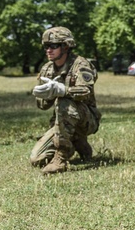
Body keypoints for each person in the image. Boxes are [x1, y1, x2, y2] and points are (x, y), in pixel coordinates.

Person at [29, 27, 101, 174]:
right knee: (37, 160)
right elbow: (43, 106)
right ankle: (78, 142)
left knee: (64, 102)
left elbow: (86, 91)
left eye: (53, 46)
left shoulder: (80, 65)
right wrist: (45, 95)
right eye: (46, 46)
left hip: (87, 119)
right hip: (61, 122)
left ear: (65, 46)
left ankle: (60, 158)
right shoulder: (47, 69)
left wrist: (63, 90)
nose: (48, 50)